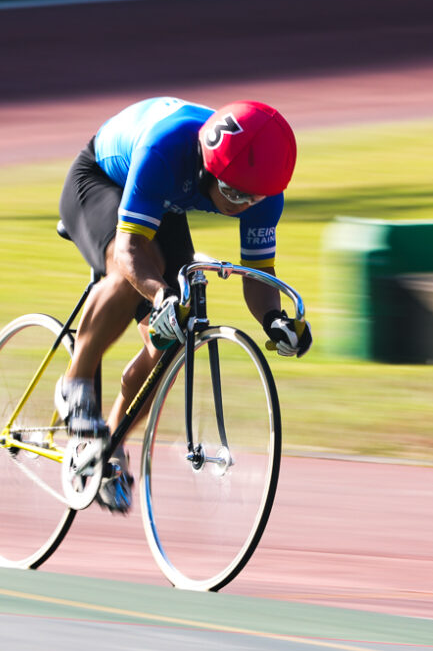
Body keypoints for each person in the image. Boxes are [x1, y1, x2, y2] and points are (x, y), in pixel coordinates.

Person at [55, 96, 313, 513]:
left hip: (169, 195)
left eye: (252, 200)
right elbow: (130, 251)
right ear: (209, 166)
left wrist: (274, 319)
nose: (239, 206)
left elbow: (258, 276)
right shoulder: (166, 147)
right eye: (232, 193)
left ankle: (109, 446)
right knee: (132, 276)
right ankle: (75, 383)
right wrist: (160, 296)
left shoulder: (263, 191)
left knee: (174, 340)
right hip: (103, 180)